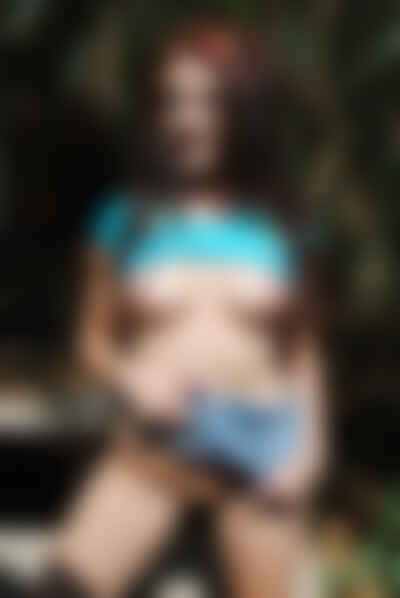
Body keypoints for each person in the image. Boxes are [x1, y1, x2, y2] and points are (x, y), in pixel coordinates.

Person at [52, 18, 328, 598]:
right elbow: (89, 343)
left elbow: (303, 353)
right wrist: (131, 376)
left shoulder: (286, 224)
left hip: (260, 453)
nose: (187, 118)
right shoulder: (125, 217)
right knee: (65, 587)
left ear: (246, 109)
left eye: (209, 101)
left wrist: (307, 453)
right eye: (174, 100)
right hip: (154, 451)